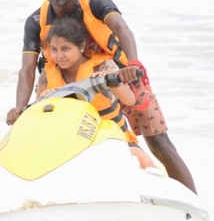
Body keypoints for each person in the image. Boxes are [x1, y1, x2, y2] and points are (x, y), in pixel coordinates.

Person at [6, 0, 197, 193]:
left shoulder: (96, 2)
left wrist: (133, 66)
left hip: (119, 75)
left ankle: (193, 205)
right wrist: (20, 108)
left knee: (159, 142)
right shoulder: (35, 22)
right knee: (57, 142)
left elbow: (122, 29)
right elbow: (27, 70)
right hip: (72, 85)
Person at [35, 15, 156, 170]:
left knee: (143, 161)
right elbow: (39, 114)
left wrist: (111, 81)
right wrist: (48, 98)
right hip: (68, 142)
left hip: (111, 136)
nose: (59, 56)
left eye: (66, 48)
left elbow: (130, 100)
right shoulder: (47, 75)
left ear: (81, 46)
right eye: (54, 50)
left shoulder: (103, 67)